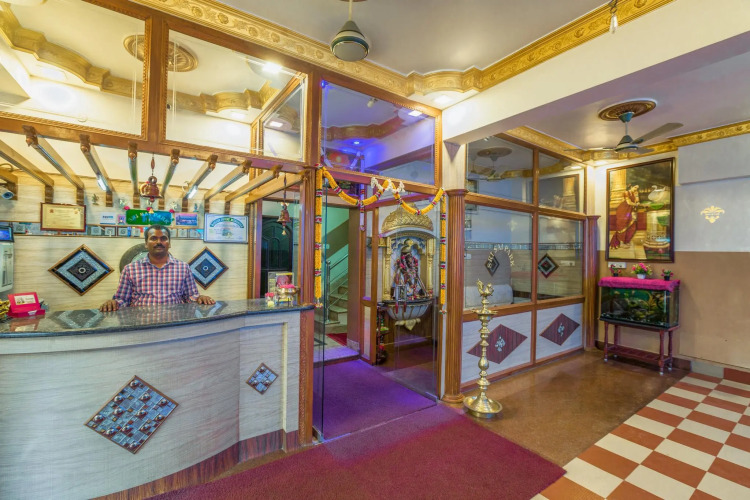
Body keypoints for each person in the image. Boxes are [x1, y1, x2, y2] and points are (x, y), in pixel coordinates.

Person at [99, 225, 215, 311]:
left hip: (174, 323)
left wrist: (200, 298)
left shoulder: (183, 268)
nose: (159, 242)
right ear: (146, 243)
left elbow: (191, 297)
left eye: (163, 238)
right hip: (141, 324)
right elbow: (122, 300)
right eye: (153, 238)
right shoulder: (130, 269)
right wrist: (113, 303)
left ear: (169, 243)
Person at [609, 184, 640, 250]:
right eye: (635, 187)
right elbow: (629, 202)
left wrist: (636, 196)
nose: (636, 189)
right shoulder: (626, 192)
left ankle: (626, 241)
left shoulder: (635, 193)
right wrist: (636, 204)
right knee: (622, 226)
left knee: (632, 226)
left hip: (630, 211)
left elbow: (637, 201)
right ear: (631, 186)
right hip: (623, 211)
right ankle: (622, 243)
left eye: (637, 188)